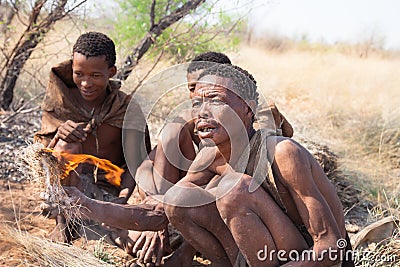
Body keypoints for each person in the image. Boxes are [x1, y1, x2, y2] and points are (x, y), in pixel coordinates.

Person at [163, 64, 354, 266]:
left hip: (311, 258)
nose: (202, 112)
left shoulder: (283, 152)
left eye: (216, 101)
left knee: (234, 189)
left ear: (249, 108)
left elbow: (331, 244)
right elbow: (163, 209)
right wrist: (132, 219)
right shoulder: (210, 156)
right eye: (196, 104)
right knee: (178, 198)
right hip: (262, 256)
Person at [35, 31, 150, 242]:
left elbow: (137, 163)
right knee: (66, 143)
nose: (86, 83)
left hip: (107, 195)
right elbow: (43, 157)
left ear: (111, 72)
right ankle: (64, 224)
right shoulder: (61, 101)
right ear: (72, 70)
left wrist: (122, 200)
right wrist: (59, 135)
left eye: (95, 76)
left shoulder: (125, 108)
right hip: (68, 194)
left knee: (133, 242)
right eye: (79, 74)